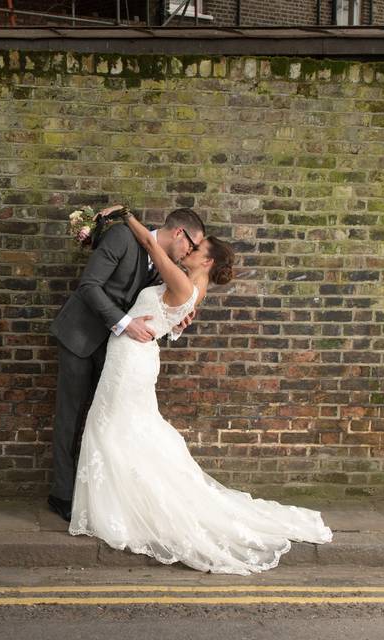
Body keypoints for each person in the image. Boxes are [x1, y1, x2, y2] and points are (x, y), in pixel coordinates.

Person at [68, 206, 333, 575]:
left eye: (198, 249)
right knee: (121, 427)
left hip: (131, 356)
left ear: (207, 261)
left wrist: (125, 215)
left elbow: (149, 241)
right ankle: (114, 501)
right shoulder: (193, 288)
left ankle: (119, 507)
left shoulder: (183, 282)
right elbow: (168, 312)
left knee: (113, 427)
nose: (191, 251)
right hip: (135, 354)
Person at [48, 207, 206, 522]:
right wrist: (124, 323)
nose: (191, 251)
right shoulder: (121, 237)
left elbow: (156, 307)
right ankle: (61, 494)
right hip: (80, 337)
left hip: (116, 351)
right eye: (191, 243)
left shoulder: (164, 266)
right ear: (178, 232)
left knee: (105, 421)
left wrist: (175, 323)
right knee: (72, 416)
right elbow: (90, 286)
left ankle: (95, 494)